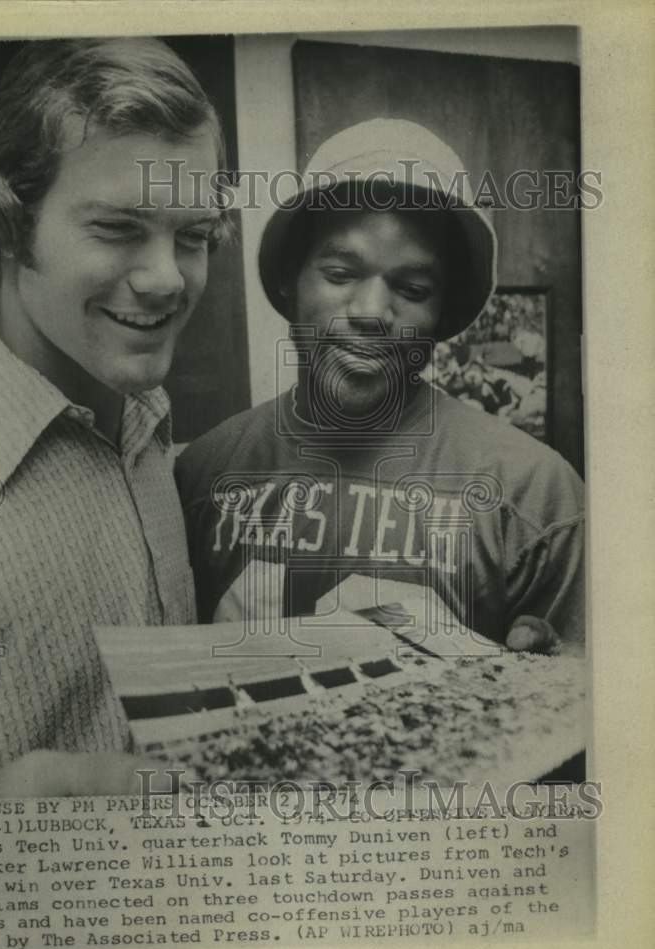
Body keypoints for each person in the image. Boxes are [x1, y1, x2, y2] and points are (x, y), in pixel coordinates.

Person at [0, 38, 228, 797]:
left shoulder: (151, 435)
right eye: (119, 229)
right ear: (6, 221)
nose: (168, 279)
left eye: (193, 237)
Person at [176, 119, 584, 653]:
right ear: (287, 279)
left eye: (412, 288)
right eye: (340, 274)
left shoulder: (535, 494)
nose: (371, 312)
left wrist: (568, 696)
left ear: (442, 310)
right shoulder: (201, 474)